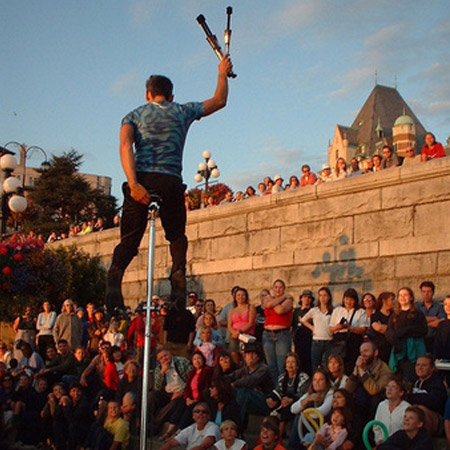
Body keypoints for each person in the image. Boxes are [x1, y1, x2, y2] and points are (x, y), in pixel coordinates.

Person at [105, 54, 233, 313]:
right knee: (176, 235)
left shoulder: (133, 115)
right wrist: (222, 72)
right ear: (171, 96)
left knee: (129, 239)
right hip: (170, 181)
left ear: (147, 94)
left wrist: (132, 183)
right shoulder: (183, 110)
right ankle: (177, 279)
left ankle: (114, 279)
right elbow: (219, 100)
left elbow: (125, 145)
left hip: (141, 177)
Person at [345, 341, 392, 427]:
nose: (363, 355)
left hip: (375, 404)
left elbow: (373, 390)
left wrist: (362, 372)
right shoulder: (361, 366)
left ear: (375, 353)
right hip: (360, 405)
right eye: (361, 352)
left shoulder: (385, 370)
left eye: (366, 351)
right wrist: (355, 372)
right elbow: (347, 391)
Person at [386, 287, 427, 381]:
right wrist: (396, 342)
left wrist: (407, 331)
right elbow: (389, 331)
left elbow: (423, 330)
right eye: (400, 295)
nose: (402, 297)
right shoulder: (394, 315)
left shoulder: (418, 313)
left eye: (405, 295)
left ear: (411, 297)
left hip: (414, 350)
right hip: (399, 349)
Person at [227, 342, 273, 423]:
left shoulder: (263, 369)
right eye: (248, 354)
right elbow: (232, 376)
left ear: (258, 357)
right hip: (249, 401)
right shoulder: (245, 369)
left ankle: (237, 424)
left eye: (253, 354)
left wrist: (234, 384)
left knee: (243, 392)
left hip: (263, 400)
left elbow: (251, 380)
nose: (250, 357)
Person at [150, 347, 192, 435]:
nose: (164, 359)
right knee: (151, 395)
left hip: (182, 393)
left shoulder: (182, 362)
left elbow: (192, 380)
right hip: (167, 393)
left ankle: (154, 426)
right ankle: (145, 421)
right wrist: (162, 373)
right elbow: (157, 388)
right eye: (161, 358)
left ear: (170, 354)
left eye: (165, 355)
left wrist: (182, 392)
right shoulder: (159, 368)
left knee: (175, 402)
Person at [266, 353, 310, 437]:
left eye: (293, 362)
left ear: (297, 365)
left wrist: (291, 399)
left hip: (297, 405)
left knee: (286, 409)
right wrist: (270, 399)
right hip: (283, 404)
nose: (290, 364)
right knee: (270, 411)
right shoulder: (282, 378)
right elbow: (278, 392)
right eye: (288, 362)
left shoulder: (303, 377)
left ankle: (278, 436)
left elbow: (303, 393)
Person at [289, 368, 333, 450]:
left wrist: (305, 413)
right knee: (299, 416)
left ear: (326, 382)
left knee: (301, 415)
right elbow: (293, 409)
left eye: (321, 380)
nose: (317, 382)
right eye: (315, 380)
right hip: (311, 426)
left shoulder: (331, 393)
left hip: (325, 427)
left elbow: (321, 412)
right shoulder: (310, 393)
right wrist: (307, 400)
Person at [329, 288, 369, 374]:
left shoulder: (361, 312)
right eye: (346, 299)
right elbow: (330, 329)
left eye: (351, 299)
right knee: (337, 365)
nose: (348, 301)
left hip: (353, 341)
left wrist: (350, 327)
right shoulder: (337, 310)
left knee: (351, 366)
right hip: (339, 341)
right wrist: (338, 327)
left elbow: (363, 329)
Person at [408, 354, 447, 436]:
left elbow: (433, 402)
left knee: (419, 410)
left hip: (436, 420)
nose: (420, 368)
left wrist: (409, 397)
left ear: (432, 368)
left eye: (424, 365)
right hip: (413, 416)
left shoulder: (437, 383)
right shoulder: (412, 381)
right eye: (418, 365)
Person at [262, 279, 294, 382]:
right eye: (276, 287)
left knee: (282, 365)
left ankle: (283, 388)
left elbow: (280, 310)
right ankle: (276, 389)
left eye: (280, 287)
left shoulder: (288, 300)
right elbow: (267, 305)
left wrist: (274, 301)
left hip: (282, 334)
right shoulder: (273, 299)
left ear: (284, 289)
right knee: (271, 365)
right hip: (267, 334)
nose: (278, 289)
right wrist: (280, 298)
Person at [301, 287, 333, 370]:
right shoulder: (314, 310)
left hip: (329, 341)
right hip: (317, 341)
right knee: (315, 367)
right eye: (320, 295)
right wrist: (312, 328)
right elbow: (303, 320)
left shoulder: (333, 310)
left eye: (325, 295)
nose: (323, 298)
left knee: (328, 367)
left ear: (329, 297)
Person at [373, 376, 410, 445]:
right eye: (387, 387)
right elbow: (376, 426)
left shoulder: (407, 408)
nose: (389, 389)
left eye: (393, 387)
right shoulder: (382, 405)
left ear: (401, 392)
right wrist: (379, 440)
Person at [227, 287, 256, 364]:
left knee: (246, 355)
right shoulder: (232, 311)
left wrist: (240, 332)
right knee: (234, 353)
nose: (240, 297)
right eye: (238, 295)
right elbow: (229, 325)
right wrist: (234, 333)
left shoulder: (250, 307)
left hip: (246, 335)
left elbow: (251, 322)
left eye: (243, 295)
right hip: (235, 335)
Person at [415, 280, 445, 352]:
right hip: (420, 340)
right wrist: (434, 318)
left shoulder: (439, 307)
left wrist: (422, 322)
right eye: (424, 291)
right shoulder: (416, 307)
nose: (426, 294)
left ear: (433, 292)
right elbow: (414, 321)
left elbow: (441, 322)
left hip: (434, 340)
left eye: (429, 291)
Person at [291, 290, 314, 375]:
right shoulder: (296, 312)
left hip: (310, 340)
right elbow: (292, 326)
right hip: (298, 340)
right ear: (301, 299)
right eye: (305, 297)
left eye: (309, 297)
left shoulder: (313, 311)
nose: (307, 299)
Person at [369, 292, 395, 363]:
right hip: (380, 348)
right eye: (391, 300)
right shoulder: (375, 315)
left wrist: (384, 327)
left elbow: (398, 329)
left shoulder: (394, 315)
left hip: (392, 347)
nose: (394, 302)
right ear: (384, 301)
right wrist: (392, 328)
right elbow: (377, 328)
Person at [434, 295, 450, 360]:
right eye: (446, 304)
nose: (448, 307)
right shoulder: (441, 325)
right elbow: (437, 344)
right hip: (443, 361)